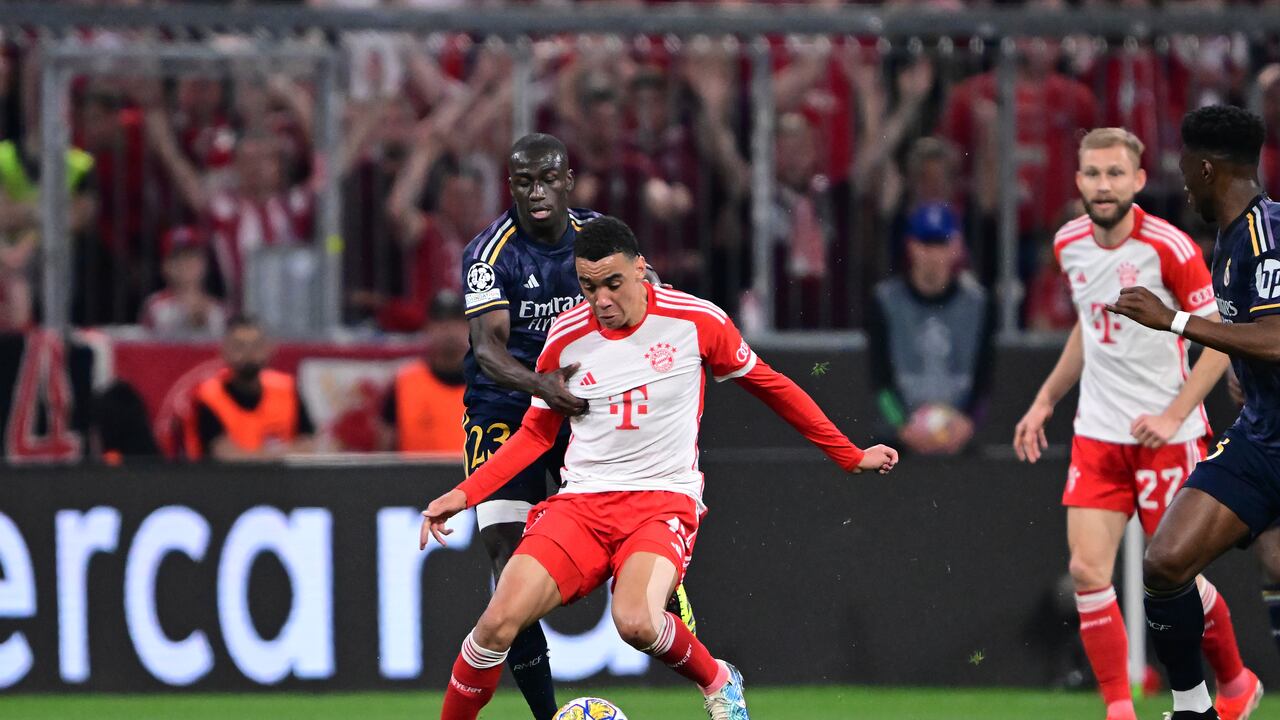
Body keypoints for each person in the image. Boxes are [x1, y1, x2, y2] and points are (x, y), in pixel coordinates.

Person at [421, 216, 898, 720]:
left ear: (641, 270)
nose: (600, 300)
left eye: (612, 284)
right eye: (587, 287)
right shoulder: (565, 337)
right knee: (496, 625)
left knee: (636, 621)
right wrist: (463, 494)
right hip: (580, 504)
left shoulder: (697, 321)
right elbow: (536, 436)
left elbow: (771, 385)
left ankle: (718, 680)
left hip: (660, 503)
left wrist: (849, 453)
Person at [1022, 123, 1259, 720]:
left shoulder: (1171, 249)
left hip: (1167, 435)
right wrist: (1047, 397)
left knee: (1177, 577)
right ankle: (1120, 710)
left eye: (1115, 174)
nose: (1104, 186)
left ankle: (1235, 683)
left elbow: (1222, 341)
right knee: (1085, 569)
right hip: (1099, 431)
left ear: (1139, 180)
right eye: (1093, 174)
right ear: (1078, 182)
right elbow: (1088, 324)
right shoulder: (1069, 242)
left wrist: (1174, 412)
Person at [456, 132, 692, 720]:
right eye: (522, 182)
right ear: (510, 186)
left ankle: (669, 593)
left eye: (546, 179)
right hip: (506, 413)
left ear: (568, 179)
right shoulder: (490, 254)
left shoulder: (602, 241)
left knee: (616, 526)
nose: (535, 193)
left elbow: (655, 305)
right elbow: (487, 352)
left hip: (587, 409)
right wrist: (544, 387)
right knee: (508, 567)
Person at [1106, 105, 1278, 720]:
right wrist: (1243, 370)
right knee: (1167, 561)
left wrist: (1175, 320)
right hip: (1263, 433)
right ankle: (1192, 708)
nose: (1177, 177)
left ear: (1207, 169)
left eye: (1182, 164)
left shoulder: (1265, 237)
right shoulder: (1231, 241)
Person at [868, 202, 993, 456]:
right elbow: (880, 380)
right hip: (900, 444)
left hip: (962, 442)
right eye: (926, 244)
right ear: (911, 246)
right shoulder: (886, 302)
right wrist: (902, 425)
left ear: (956, 247)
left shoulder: (978, 304)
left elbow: (986, 378)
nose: (933, 254)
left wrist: (968, 423)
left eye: (941, 244)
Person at [184, 315, 315, 461]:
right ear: (224, 351)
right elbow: (225, 454)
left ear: (270, 348)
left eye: (256, 345)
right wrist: (281, 453)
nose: (249, 353)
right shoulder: (208, 397)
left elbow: (308, 446)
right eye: (239, 346)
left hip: (284, 480)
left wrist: (258, 456)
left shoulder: (287, 390)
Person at [378, 291, 468, 454]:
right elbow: (384, 449)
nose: (449, 329)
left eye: (457, 321)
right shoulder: (404, 383)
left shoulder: (491, 383)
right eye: (440, 321)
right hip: (415, 478)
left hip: (478, 478)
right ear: (427, 328)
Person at [139, 226, 228, 337]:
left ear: (204, 263)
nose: (186, 264)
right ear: (165, 266)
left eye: (192, 257)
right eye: (178, 259)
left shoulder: (218, 309)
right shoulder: (155, 306)